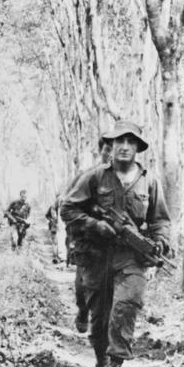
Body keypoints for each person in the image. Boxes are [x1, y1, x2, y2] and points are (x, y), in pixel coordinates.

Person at [60, 120, 170, 367]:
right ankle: (100, 360)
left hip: (131, 258)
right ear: (111, 146)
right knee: (101, 316)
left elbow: (160, 221)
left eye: (130, 142)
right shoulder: (95, 177)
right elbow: (68, 209)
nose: (124, 147)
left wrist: (160, 242)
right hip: (96, 255)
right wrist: (95, 226)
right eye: (119, 141)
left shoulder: (149, 181)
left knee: (126, 306)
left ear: (137, 148)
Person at [66, 136, 113, 333]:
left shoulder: (129, 180)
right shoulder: (86, 177)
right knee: (81, 287)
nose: (111, 155)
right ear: (100, 152)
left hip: (114, 247)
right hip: (87, 243)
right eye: (107, 150)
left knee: (109, 295)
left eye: (114, 150)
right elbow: (68, 209)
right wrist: (73, 238)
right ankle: (83, 310)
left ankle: (105, 340)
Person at [45, 195, 62, 263]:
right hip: (53, 227)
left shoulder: (60, 208)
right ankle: (55, 257)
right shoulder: (52, 207)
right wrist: (51, 220)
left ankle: (58, 257)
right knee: (55, 242)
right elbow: (46, 215)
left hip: (57, 227)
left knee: (57, 242)